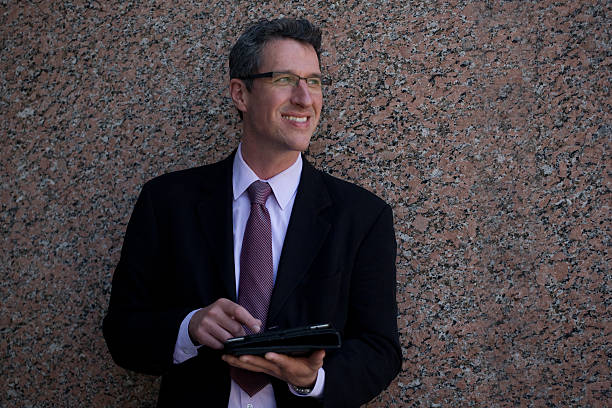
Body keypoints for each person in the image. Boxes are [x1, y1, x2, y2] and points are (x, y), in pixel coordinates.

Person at [103, 17, 401, 407]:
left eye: (313, 81)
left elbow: (381, 349)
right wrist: (188, 327)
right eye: (284, 79)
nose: (304, 98)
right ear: (240, 93)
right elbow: (123, 332)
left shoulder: (362, 216)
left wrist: (313, 380)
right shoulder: (166, 201)